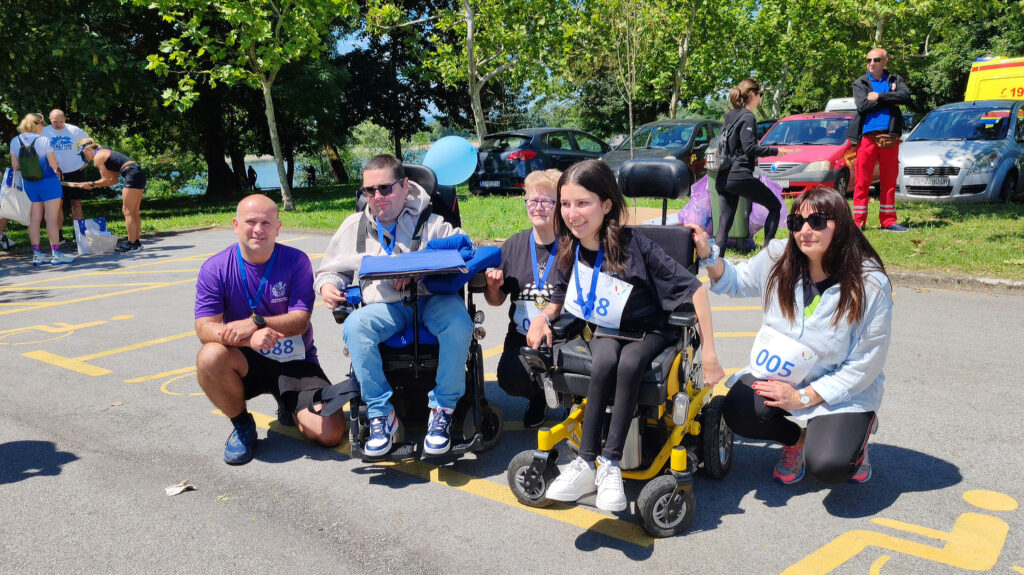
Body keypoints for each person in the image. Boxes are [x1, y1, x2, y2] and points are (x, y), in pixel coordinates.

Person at [525, 159, 724, 512]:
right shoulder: (569, 247)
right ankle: (587, 463)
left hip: (650, 330)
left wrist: (709, 353)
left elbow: (696, 291)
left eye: (583, 203)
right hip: (607, 329)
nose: (573, 213)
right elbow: (559, 298)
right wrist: (543, 317)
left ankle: (610, 464)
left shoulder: (635, 245)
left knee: (630, 363)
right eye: (567, 204)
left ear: (606, 205)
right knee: (603, 361)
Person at [688, 185, 892, 485]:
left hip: (839, 391)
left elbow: (865, 365)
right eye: (797, 223)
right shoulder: (778, 257)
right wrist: (707, 253)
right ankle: (796, 439)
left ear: (842, 224)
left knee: (829, 465)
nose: (805, 231)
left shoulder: (870, 284)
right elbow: (734, 281)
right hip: (784, 377)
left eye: (817, 222)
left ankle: (856, 440)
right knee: (739, 408)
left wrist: (801, 398)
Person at [315, 154, 473, 457]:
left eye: (385, 189)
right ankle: (380, 414)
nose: (377, 197)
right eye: (369, 191)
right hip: (384, 304)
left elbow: (464, 251)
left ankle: (443, 410)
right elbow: (330, 269)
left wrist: (418, 267)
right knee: (355, 326)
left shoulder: (432, 221)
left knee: (459, 323)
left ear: (404, 186)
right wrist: (327, 286)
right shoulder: (354, 227)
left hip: (431, 300)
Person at [194, 194, 345, 465]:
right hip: (243, 359)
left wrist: (257, 322)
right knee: (209, 356)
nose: (258, 229)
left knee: (330, 433)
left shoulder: (296, 261)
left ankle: (287, 403)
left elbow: (300, 320)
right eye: (250, 221)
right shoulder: (214, 268)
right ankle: (242, 425)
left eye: (266, 222)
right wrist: (250, 339)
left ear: (278, 228)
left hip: (293, 360)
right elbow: (204, 328)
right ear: (235, 224)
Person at [484, 169, 562, 428]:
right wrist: (493, 288)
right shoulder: (514, 245)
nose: (538, 207)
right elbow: (495, 301)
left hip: (562, 334)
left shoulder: (572, 246)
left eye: (547, 201)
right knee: (508, 377)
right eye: (532, 200)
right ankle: (538, 397)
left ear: (560, 205)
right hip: (522, 335)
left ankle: (568, 397)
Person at [715, 78, 783, 252]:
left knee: (724, 224)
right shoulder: (748, 117)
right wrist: (776, 152)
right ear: (752, 95)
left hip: (722, 177)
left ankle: (715, 266)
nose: (760, 97)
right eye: (760, 94)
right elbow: (750, 148)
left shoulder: (730, 116)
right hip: (739, 176)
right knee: (775, 207)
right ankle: (766, 256)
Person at [848, 48, 911, 232]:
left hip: (890, 137)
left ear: (885, 62)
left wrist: (880, 96)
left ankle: (888, 221)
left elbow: (905, 96)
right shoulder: (860, 83)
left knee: (889, 180)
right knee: (862, 181)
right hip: (867, 138)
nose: (871, 63)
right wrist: (890, 99)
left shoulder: (894, 79)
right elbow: (862, 105)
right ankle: (858, 222)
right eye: (868, 60)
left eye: (876, 59)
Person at [8, 113, 75, 265]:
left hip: (30, 184)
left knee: (34, 219)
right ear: (38, 125)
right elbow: (53, 164)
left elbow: (15, 166)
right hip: (49, 182)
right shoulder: (43, 140)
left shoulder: (15, 141)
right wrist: (57, 171)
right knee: (51, 218)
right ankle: (56, 254)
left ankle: (37, 254)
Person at [66, 138, 146, 252]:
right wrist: (92, 185)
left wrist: (91, 183)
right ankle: (136, 243)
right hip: (137, 173)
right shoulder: (104, 153)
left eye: (83, 154)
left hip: (131, 174)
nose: (84, 157)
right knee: (134, 211)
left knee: (127, 211)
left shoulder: (98, 158)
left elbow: (105, 180)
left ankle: (132, 244)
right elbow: (112, 181)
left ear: (87, 149)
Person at [43, 109, 91, 223]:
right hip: (54, 173)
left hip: (75, 170)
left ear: (65, 119)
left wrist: (87, 161)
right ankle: (59, 236)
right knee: (57, 205)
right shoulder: (44, 132)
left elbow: (90, 143)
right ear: (50, 120)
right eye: (55, 122)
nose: (58, 124)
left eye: (60, 121)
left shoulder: (74, 130)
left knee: (76, 202)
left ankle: (78, 234)